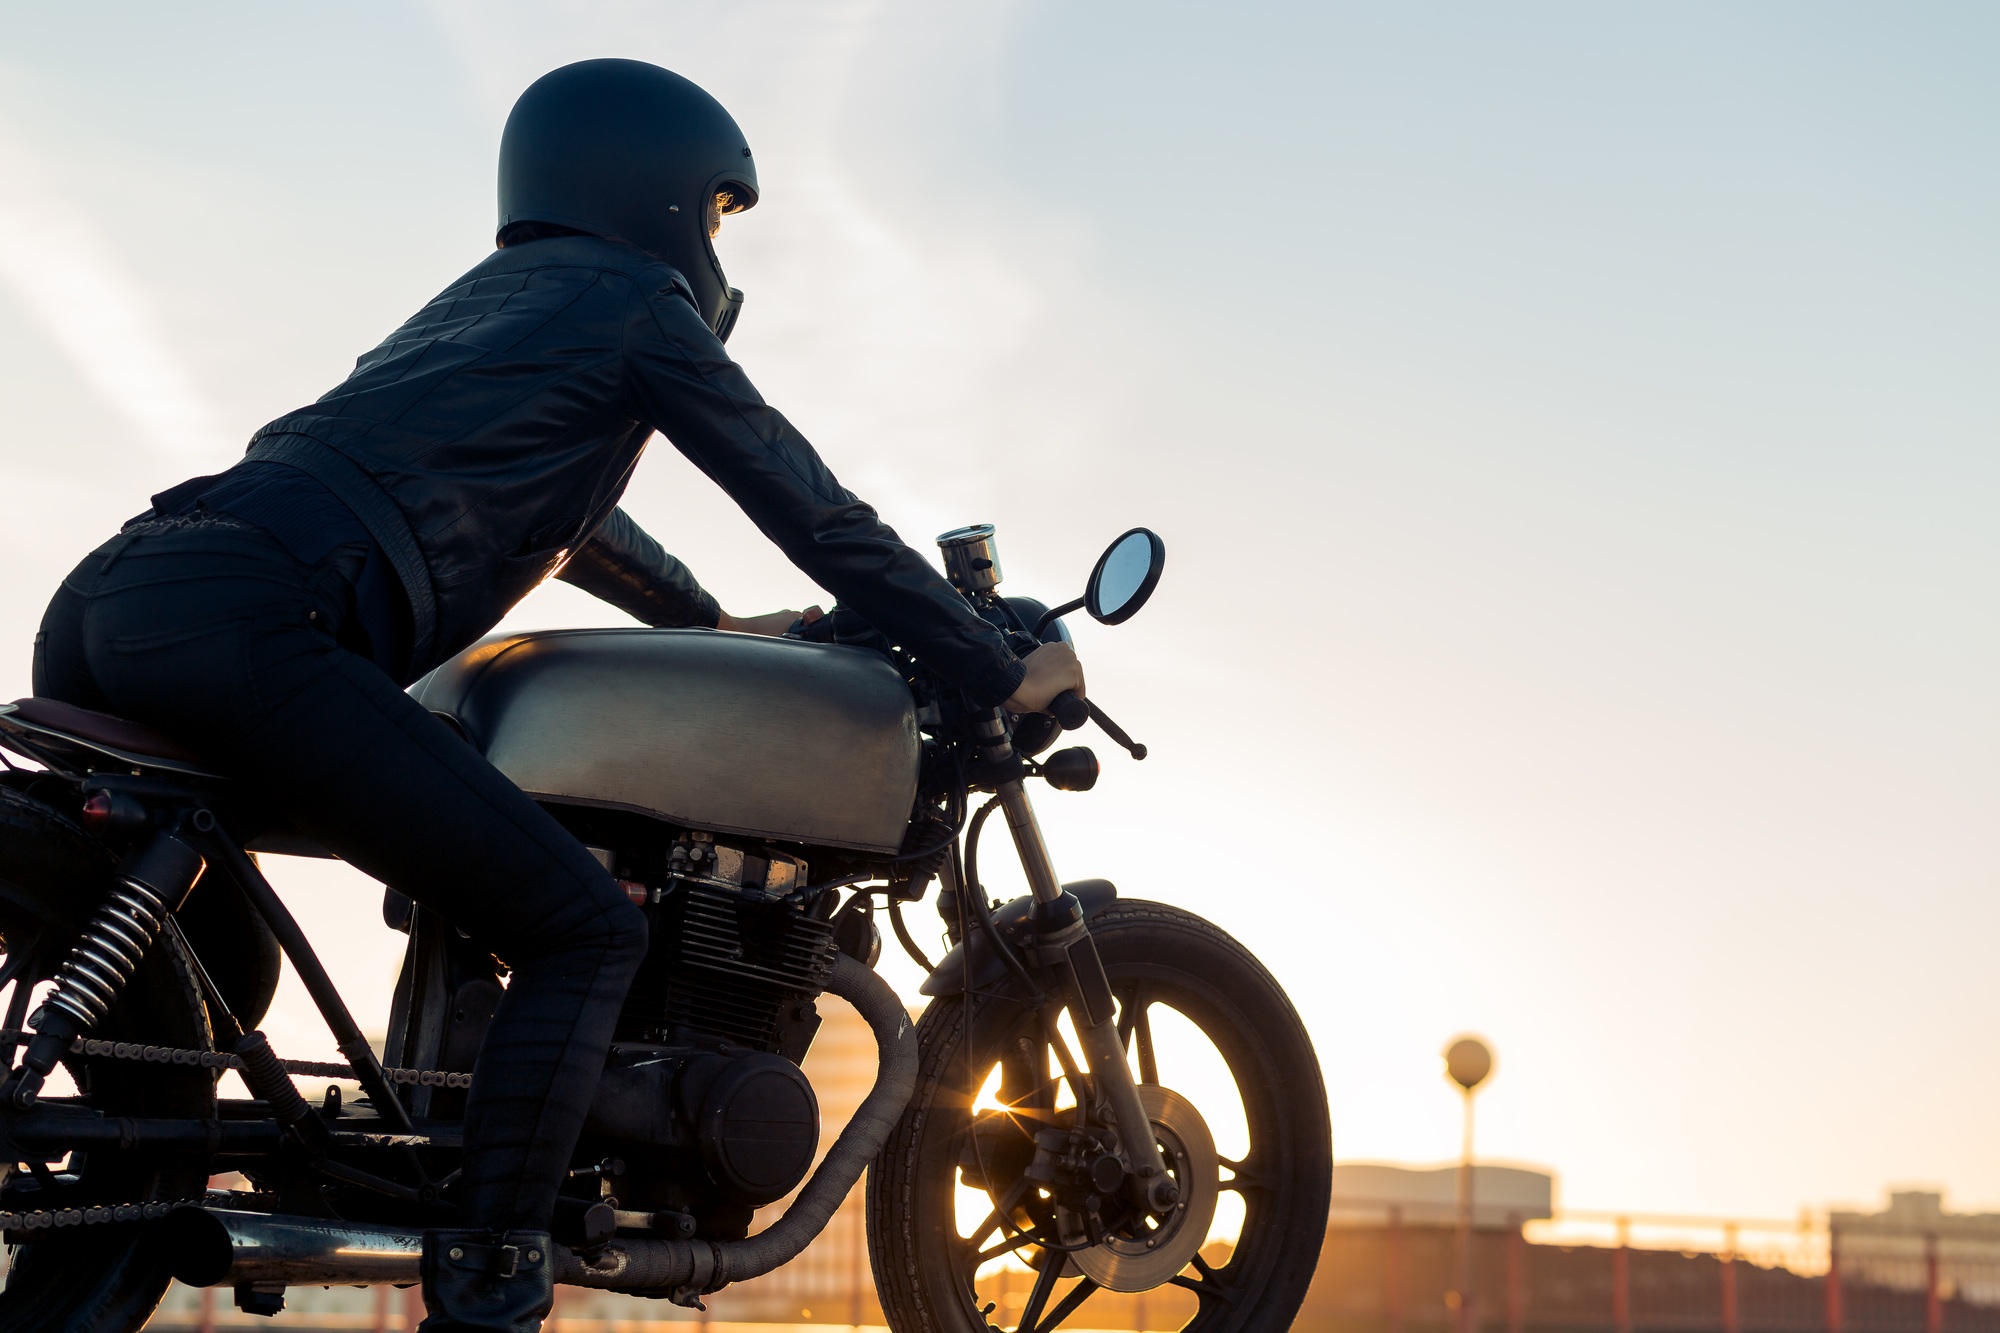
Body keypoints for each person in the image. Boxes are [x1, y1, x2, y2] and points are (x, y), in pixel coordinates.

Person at [30, 58, 1081, 1332]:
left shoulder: (476, 313)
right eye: (713, 213)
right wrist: (987, 661)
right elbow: (806, 503)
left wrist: (713, 628)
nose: (708, 244)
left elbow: (586, 532)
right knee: (584, 926)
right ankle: (488, 1272)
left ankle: (146, 1191)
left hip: (117, 597)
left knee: (207, 976)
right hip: (250, 621)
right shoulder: (637, 299)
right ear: (658, 194)